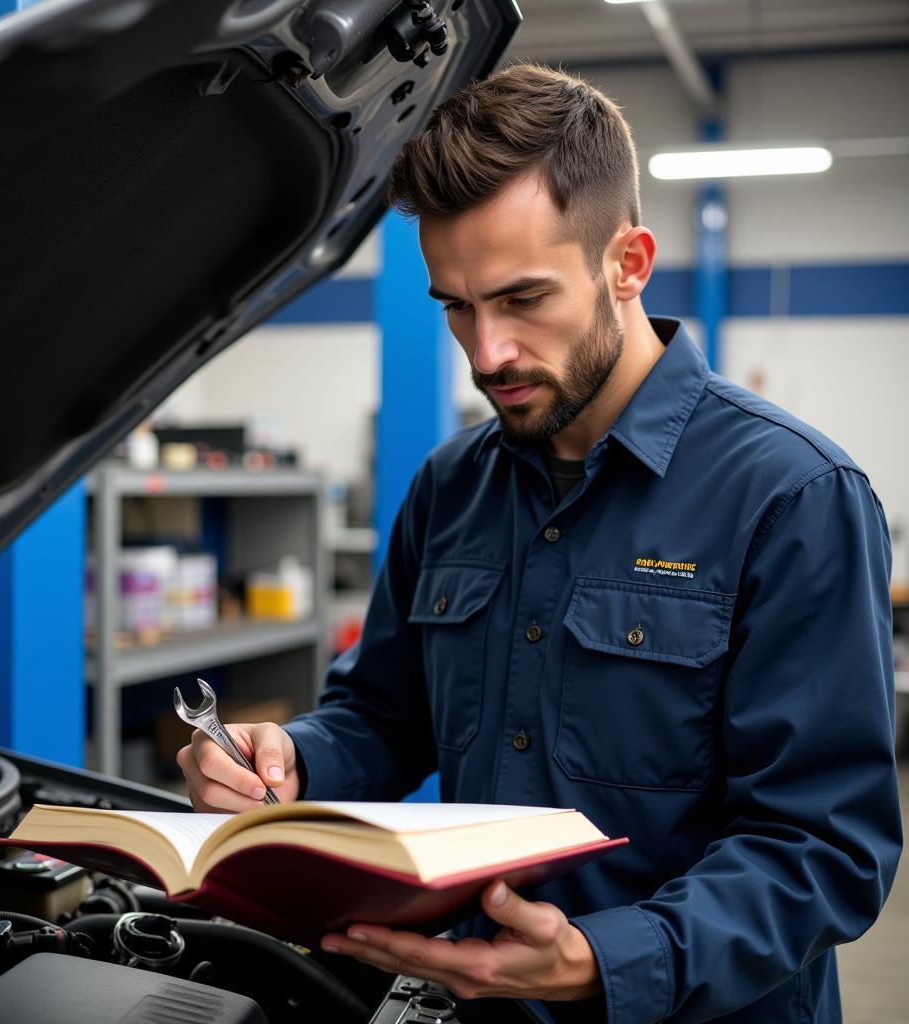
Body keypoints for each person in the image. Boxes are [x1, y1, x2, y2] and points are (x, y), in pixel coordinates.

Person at [177, 63, 902, 1023]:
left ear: (627, 263)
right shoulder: (451, 486)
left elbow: (824, 847)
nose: (487, 354)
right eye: (456, 307)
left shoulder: (792, 496)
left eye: (522, 299)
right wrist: (289, 761)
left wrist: (605, 960)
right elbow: (387, 719)